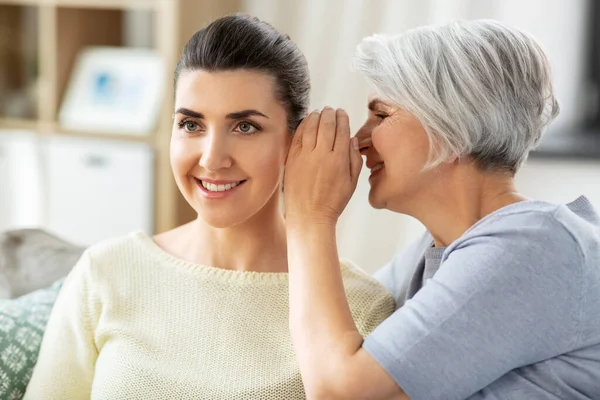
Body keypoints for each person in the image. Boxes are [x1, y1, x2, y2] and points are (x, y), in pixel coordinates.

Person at [24, 14, 394, 399]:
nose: (212, 158)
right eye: (191, 125)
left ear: (295, 143)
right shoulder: (105, 273)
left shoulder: (361, 307)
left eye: (245, 127)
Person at [283, 20, 600, 400]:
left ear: (454, 128)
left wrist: (310, 217)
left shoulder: (535, 246)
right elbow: (316, 343)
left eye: (382, 115)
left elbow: (340, 390)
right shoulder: (435, 253)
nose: (360, 140)